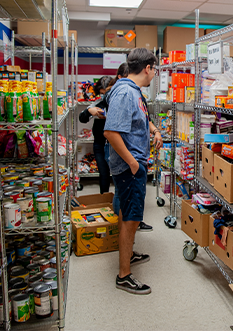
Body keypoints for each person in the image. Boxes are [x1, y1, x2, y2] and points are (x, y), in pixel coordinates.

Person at [104, 48, 163, 294]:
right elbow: (111, 132)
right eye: (155, 69)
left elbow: (136, 119)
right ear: (148, 68)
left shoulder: (132, 91)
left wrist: (154, 129)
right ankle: (124, 275)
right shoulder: (126, 92)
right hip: (130, 166)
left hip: (133, 164)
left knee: (129, 214)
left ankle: (128, 255)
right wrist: (133, 164)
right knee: (131, 219)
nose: (155, 74)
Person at [83, 64, 154, 232]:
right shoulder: (121, 94)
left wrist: (155, 131)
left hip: (125, 151)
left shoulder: (134, 94)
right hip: (110, 147)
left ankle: (123, 221)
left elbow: (145, 118)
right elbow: (109, 132)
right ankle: (117, 220)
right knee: (113, 181)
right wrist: (91, 110)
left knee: (123, 191)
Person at [79, 76, 113, 194]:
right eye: (102, 94)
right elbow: (82, 118)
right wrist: (89, 111)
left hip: (116, 144)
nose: (105, 96)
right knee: (103, 174)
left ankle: (117, 204)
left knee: (120, 175)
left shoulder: (118, 103)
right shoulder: (98, 103)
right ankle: (104, 199)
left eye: (106, 93)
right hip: (100, 144)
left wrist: (107, 116)